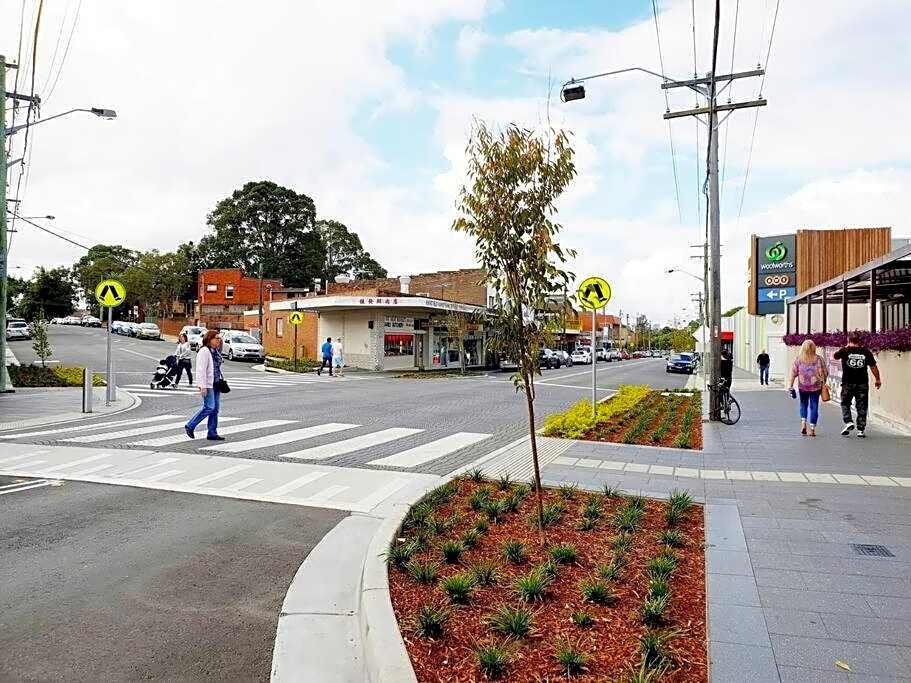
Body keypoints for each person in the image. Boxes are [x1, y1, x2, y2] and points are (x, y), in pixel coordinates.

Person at [834, 332, 882, 438]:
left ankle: (848, 421)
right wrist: (877, 379)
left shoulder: (844, 351)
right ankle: (861, 429)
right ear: (860, 341)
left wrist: (846, 347)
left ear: (848, 340)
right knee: (862, 406)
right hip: (862, 383)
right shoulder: (866, 351)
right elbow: (873, 367)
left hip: (847, 383)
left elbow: (835, 356)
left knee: (845, 403)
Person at [185, 330, 225, 441]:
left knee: (215, 409)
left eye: (219, 338)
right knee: (209, 407)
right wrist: (202, 386)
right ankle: (190, 425)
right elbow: (200, 370)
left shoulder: (215, 351)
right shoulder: (204, 351)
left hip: (216, 383)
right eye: (216, 338)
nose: (219, 340)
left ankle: (212, 432)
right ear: (209, 339)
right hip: (208, 384)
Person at [787, 339, 828, 437]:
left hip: (803, 386)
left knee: (803, 405)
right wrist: (824, 382)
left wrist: (790, 386)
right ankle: (813, 429)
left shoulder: (799, 359)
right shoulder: (819, 359)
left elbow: (793, 373)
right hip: (816, 387)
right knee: (814, 406)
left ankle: (803, 423)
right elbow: (825, 372)